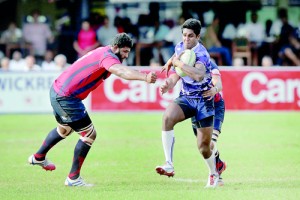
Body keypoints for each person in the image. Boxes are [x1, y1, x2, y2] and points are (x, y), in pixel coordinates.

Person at [28, 33, 157, 187]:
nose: (126, 55)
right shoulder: (108, 57)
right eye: (124, 51)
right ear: (115, 47)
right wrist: (145, 77)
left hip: (58, 90)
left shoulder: (103, 51)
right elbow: (122, 72)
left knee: (64, 130)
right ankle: (73, 178)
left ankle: (38, 157)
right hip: (67, 97)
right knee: (89, 134)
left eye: (128, 52)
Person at [155, 18, 220, 188]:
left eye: (190, 36)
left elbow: (197, 75)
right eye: (184, 35)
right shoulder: (179, 48)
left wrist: (176, 62)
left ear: (198, 36)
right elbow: (177, 74)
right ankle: (169, 163)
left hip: (203, 101)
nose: (186, 39)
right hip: (186, 97)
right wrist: (168, 83)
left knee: (203, 147)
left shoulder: (202, 54)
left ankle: (214, 173)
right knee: (167, 117)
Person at [191, 61, 227, 186]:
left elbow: (218, 82)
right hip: (197, 108)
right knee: (204, 146)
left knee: (211, 143)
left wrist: (214, 89)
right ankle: (219, 165)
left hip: (216, 106)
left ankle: (213, 174)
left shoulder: (210, 64)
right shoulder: (185, 64)